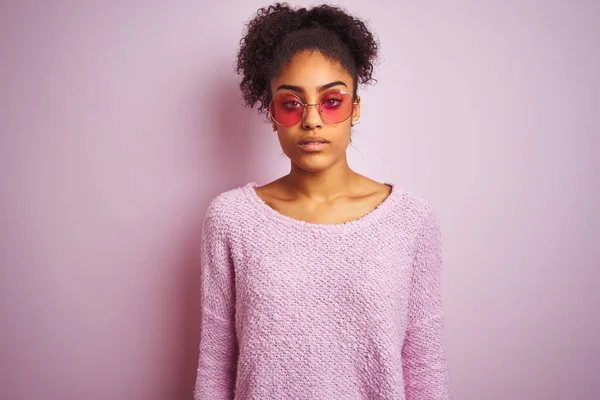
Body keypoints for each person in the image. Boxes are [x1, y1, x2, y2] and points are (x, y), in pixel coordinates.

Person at [194, 3, 451, 399]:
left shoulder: (410, 220)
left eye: (332, 101)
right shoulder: (230, 219)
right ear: (272, 113)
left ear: (355, 109)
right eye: (291, 103)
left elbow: (425, 366)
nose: (311, 120)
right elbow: (216, 364)